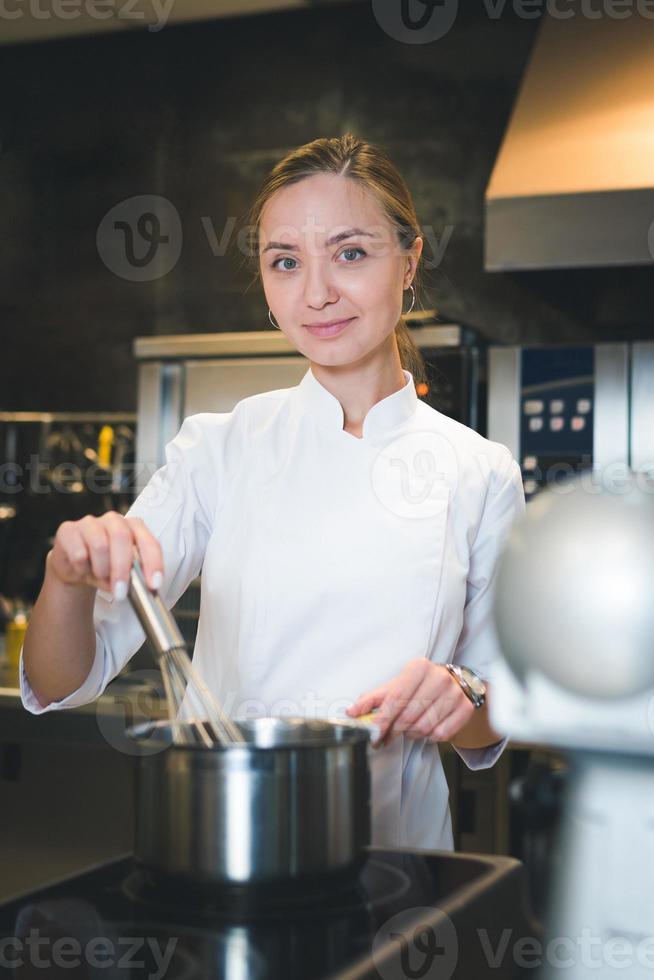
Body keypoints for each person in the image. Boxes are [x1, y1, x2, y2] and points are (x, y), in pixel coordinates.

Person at [21, 133, 525, 850]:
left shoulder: (480, 472)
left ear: (409, 263)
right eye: (285, 262)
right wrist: (63, 579)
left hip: (398, 867)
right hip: (220, 846)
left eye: (350, 253)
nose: (316, 293)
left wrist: (462, 693)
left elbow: (497, 715)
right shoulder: (218, 449)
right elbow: (63, 678)